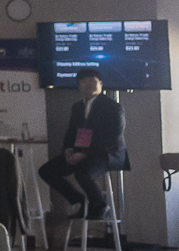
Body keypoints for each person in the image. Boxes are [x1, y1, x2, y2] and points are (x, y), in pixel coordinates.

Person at [38, 71, 127, 222]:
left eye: (92, 81)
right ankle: (80, 200)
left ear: (101, 84)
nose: (88, 84)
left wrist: (85, 154)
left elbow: (112, 137)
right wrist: (68, 150)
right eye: (84, 81)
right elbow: (72, 131)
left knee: (82, 172)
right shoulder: (78, 107)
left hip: (107, 153)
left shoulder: (113, 107)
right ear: (79, 85)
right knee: (47, 171)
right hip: (81, 151)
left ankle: (100, 205)